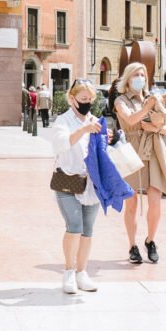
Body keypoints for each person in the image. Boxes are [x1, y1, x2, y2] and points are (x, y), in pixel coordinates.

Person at [114, 63, 166, 265]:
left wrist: (155, 128)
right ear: (127, 78)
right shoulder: (121, 100)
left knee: (155, 200)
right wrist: (147, 107)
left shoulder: (153, 98)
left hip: (154, 151)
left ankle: (150, 241)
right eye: (136, 75)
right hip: (131, 151)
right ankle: (132, 245)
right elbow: (130, 120)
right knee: (131, 202)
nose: (140, 78)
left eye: (142, 75)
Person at [48, 79, 103, 294]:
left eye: (90, 99)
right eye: (83, 98)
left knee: (88, 230)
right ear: (72, 99)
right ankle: (69, 271)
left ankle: (82, 272)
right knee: (74, 227)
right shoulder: (63, 121)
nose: (87, 103)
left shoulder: (94, 120)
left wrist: (108, 138)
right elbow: (61, 144)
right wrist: (83, 130)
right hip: (68, 181)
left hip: (91, 183)